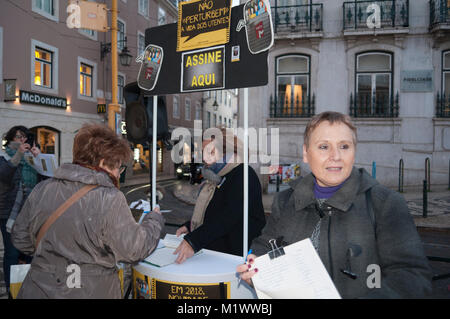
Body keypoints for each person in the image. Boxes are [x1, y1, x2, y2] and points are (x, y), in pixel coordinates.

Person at [237, 111, 432, 299]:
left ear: (354, 152)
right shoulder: (284, 201)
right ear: (306, 153)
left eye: (344, 146)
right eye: (323, 147)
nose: (335, 156)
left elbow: (412, 277)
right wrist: (255, 266)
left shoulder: (385, 204)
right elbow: (263, 246)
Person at [11, 123, 164, 298]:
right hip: (89, 291)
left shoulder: (42, 189)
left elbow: (20, 239)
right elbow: (135, 249)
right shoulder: (109, 198)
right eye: (118, 167)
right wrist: (154, 220)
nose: (118, 174)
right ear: (102, 163)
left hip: (38, 288)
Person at [174, 128, 266, 264]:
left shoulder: (243, 175)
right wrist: (190, 226)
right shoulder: (216, 177)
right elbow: (214, 211)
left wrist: (194, 241)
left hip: (232, 258)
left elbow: (228, 216)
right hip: (213, 254)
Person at [0, 126, 40, 297]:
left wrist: (39, 159)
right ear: (10, 139)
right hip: (10, 213)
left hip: (30, 213)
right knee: (12, 252)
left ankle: (27, 286)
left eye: (25, 137)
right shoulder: (4, 156)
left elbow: (45, 180)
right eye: (18, 137)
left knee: (30, 251)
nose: (22, 140)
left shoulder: (31, 158)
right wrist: (19, 155)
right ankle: (12, 289)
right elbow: (4, 175)